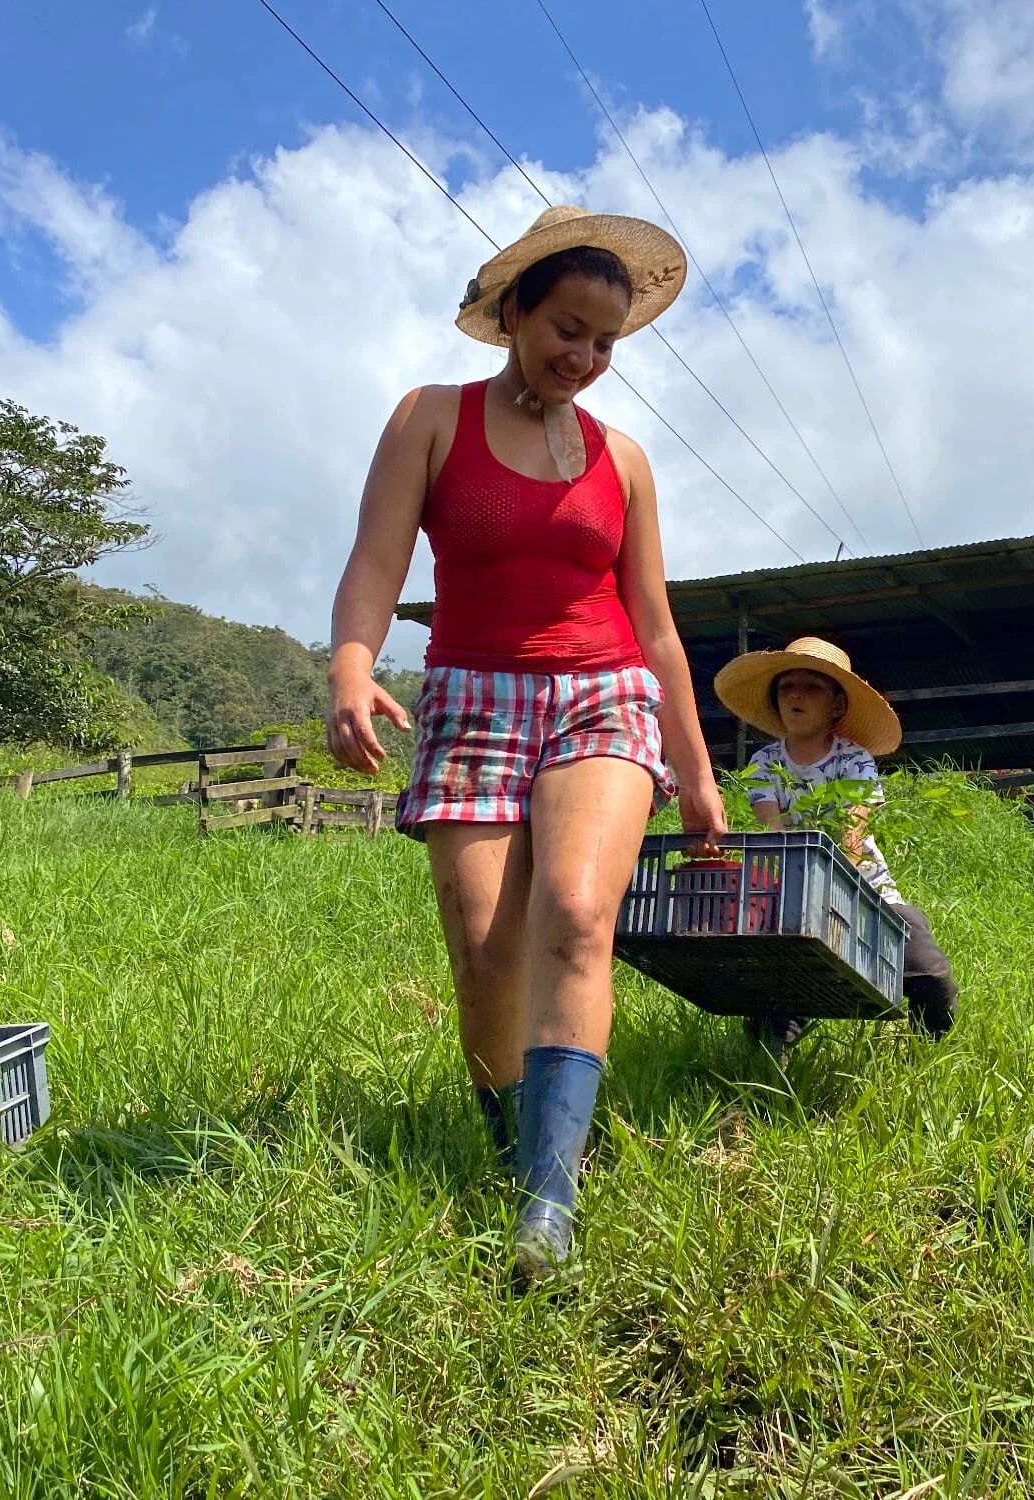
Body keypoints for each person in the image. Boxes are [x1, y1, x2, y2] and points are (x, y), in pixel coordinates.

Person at [323, 206, 728, 1287]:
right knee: (481, 939)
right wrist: (352, 668)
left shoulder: (625, 460)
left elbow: (653, 624)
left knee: (580, 914)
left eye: (605, 340)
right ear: (512, 314)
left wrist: (693, 770)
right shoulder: (429, 419)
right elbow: (374, 562)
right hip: (469, 695)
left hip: (602, 694)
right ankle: (512, 1152)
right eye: (567, 327)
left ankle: (550, 1199)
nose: (585, 356)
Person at [714, 636, 959, 1052]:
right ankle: (769, 1066)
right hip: (793, 887)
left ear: (837, 706)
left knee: (923, 962)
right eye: (786, 686)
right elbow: (774, 834)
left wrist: (836, 889)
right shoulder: (764, 765)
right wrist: (807, 895)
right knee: (779, 981)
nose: (796, 694)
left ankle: (931, 1045)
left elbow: (853, 832)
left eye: (812, 686)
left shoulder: (854, 758)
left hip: (863, 884)